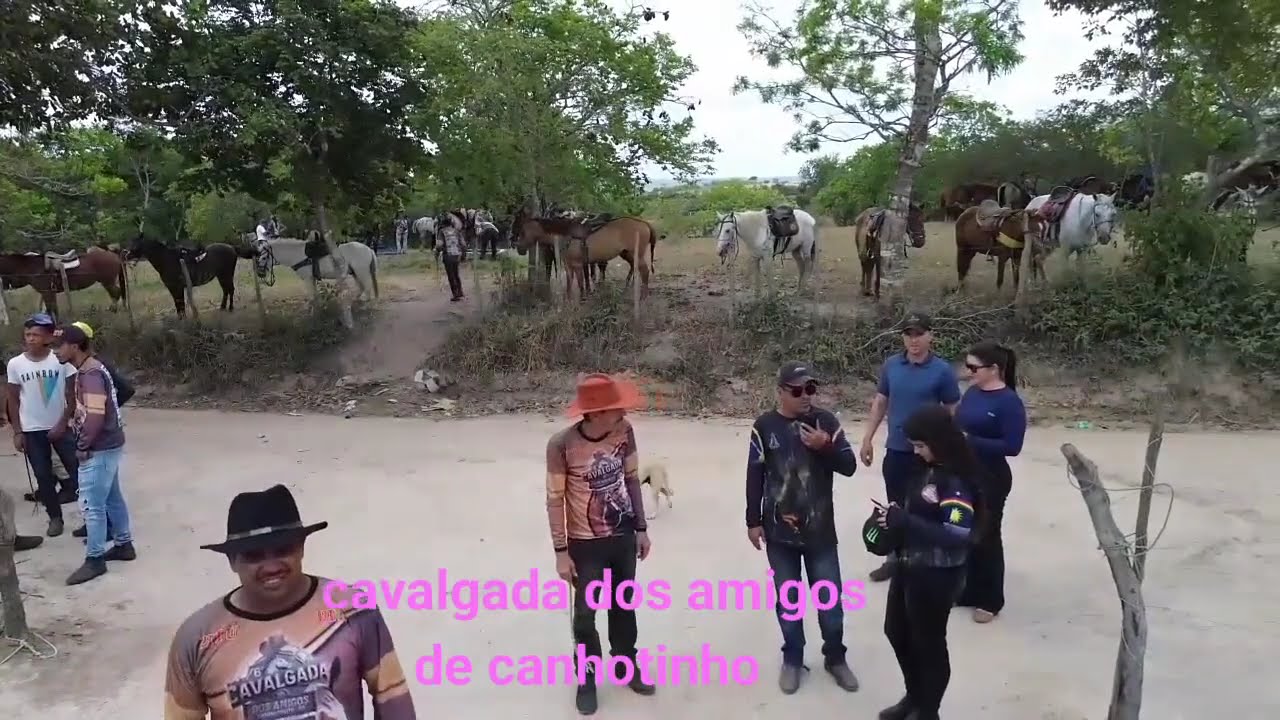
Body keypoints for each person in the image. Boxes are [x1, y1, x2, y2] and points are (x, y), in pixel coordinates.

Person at [164, 484, 417, 719]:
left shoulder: (353, 609)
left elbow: (393, 698)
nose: (271, 566)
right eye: (254, 555)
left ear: (302, 547)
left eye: (283, 549)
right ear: (231, 561)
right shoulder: (196, 639)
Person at [746, 362, 860, 694]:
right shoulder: (764, 426)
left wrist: (825, 446)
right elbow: (755, 474)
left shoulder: (826, 422)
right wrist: (752, 520)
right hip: (779, 534)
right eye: (797, 391)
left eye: (810, 389)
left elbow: (850, 466)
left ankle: (835, 657)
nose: (806, 396)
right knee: (789, 602)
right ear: (780, 392)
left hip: (821, 532)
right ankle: (793, 659)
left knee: (831, 604)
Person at [546, 373, 655, 715]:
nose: (622, 412)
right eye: (613, 408)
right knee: (584, 617)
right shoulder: (562, 446)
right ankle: (587, 678)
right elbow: (554, 499)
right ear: (593, 414)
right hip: (585, 544)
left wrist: (641, 527)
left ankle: (626, 664)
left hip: (622, 538)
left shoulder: (625, 432)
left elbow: (633, 479)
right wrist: (561, 553)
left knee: (624, 606)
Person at [874, 405, 982, 720]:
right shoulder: (923, 469)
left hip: (938, 574)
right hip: (909, 565)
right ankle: (915, 696)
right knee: (896, 631)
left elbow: (957, 532)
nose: (916, 451)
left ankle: (929, 710)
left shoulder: (957, 482)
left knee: (929, 643)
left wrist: (905, 520)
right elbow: (916, 513)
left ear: (939, 441)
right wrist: (890, 520)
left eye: (921, 445)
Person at [859, 313, 960, 582]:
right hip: (896, 451)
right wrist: (868, 437)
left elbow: (952, 411)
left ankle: (923, 561)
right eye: (908, 334)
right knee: (894, 506)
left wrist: (947, 448)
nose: (913, 340)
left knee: (925, 508)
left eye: (919, 334)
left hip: (928, 456)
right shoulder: (892, 365)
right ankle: (894, 559)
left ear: (930, 336)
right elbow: (881, 401)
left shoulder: (942, 371)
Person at [54, 324, 135, 585]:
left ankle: (95, 559)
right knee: (112, 497)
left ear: (74, 347)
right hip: (110, 443)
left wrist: (83, 445)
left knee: (91, 504)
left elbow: (95, 415)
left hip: (99, 446)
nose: (56, 352)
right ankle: (124, 544)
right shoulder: (91, 368)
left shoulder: (89, 374)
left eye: (60, 346)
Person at [954, 341, 1026, 623]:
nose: (968, 371)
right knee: (966, 533)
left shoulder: (1008, 402)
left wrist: (972, 442)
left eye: (974, 367)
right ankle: (970, 591)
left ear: (994, 369)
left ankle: (991, 599)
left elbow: (1012, 446)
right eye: (967, 366)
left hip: (992, 477)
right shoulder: (972, 393)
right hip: (965, 473)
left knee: (987, 537)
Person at [6, 313, 79, 537]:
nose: (30, 339)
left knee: (78, 471)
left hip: (61, 427)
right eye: (27, 334)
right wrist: (18, 431)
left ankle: (91, 515)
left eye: (36, 335)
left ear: (48, 336)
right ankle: (54, 518)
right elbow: (13, 399)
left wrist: (64, 420)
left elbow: (71, 394)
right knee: (43, 475)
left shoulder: (60, 359)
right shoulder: (16, 364)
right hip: (32, 430)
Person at [438, 220, 466, 302]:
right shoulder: (456, 231)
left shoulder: (442, 231)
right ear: (451, 224)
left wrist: (437, 250)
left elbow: (439, 244)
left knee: (451, 275)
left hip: (448, 255)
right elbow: (463, 244)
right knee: (456, 274)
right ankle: (460, 291)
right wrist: (463, 253)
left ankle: (455, 294)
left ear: (443, 224)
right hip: (457, 255)